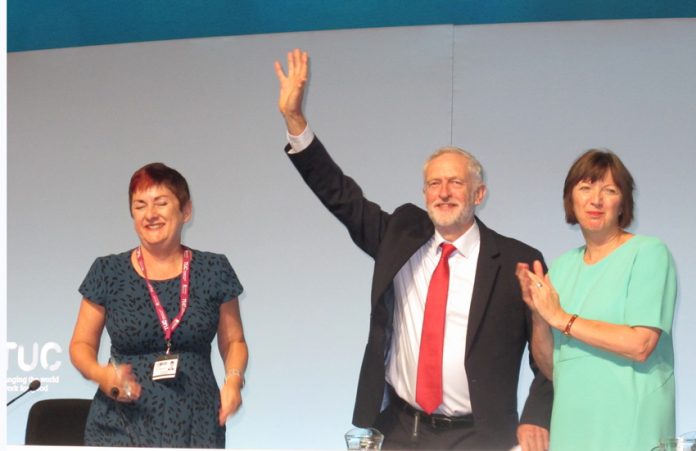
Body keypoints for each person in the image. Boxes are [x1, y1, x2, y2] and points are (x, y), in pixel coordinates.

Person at [275, 49, 552, 450]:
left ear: (479, 193)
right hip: (403, 430)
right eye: (434, 184)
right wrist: (295, 121)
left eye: (455, 183)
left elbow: (548, 356)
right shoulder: (399, 238)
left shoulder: (518, 262)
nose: (443, 193)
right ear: (423, 193)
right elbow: (340, 194)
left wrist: (536, 416)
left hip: (482, 436)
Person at [69, 162, 248, 448]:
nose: (150, 214)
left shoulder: (215, 269)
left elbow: (235, 341)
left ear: (185, 211)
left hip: (196, 419)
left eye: (161, 203)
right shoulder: (107, 271)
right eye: (140, 206)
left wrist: (234, 381)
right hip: (121, 419)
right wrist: (101, 373)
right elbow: (80, 346)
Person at [516, 149, 677, 450]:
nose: (596, 199)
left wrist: (563, 319)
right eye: (585, 187)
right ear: (571, 199)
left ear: (622, 204)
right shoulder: (562, 267)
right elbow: (554, 369)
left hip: (631, 430)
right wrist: (539, 313)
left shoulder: (649, 253)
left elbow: (640, 345)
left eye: (609, 190)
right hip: (571, 429)